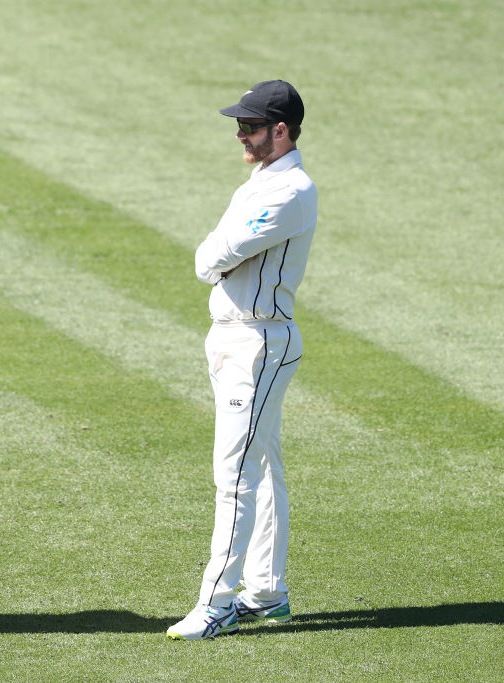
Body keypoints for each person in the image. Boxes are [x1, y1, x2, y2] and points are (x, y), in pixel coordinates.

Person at [167, 80, 317, 640]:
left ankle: (217, 604)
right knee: (260, 467)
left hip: (259, 343)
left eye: (251, 127)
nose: (240, 134)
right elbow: (214, 254)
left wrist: (217, 251)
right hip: (237, 337)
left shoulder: (289, 192)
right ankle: (267, 592)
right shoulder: (261, 181)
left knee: (234, 475)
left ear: (282, 131)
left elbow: (212, 256)